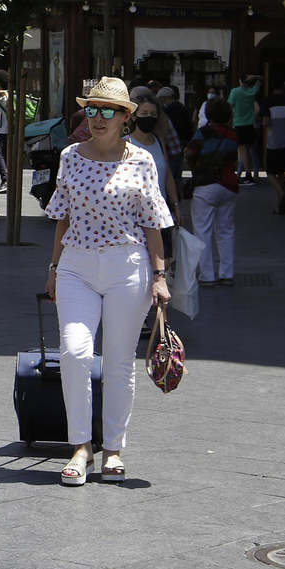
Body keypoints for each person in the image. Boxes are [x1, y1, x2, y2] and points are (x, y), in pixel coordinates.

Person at [43, 78, 173, 486]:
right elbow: (63, 214)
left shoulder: (142, 160)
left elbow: (153, 223)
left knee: (118, 361)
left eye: (107, 111)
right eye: (91, 110)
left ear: (125, 117)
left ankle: (113, 449)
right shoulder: (69, 156)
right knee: (75, 353)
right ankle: (81, 446)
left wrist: (160, 276)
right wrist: (53, 267)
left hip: (127, 265)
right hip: (76, 265)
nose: (97, 118)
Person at [184, 96, 239, 287]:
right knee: (226, 230)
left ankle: (207, 275)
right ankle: (227, 273)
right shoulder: (233, 135)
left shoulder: (204, 132)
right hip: (229, 185)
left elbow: (188, 152)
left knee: (203, 230)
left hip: (206, 185)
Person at [127, 98, 181, 243]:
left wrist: (175, 205)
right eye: (144, 113)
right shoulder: (125, 143)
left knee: (165, 259)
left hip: (160, 212)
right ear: (133, 116)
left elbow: (167, 175)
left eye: (153, 114)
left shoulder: (159, 140)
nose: (148, 118)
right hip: (134, 215)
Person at [260, 82, 285, 215]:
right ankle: (279, 204)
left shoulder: (268, 101)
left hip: (274, 141)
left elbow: (266, 122)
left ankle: (282, 193)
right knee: (282, 172)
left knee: (270, 172)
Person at [229, 74, 262, 184]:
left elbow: (229, 106)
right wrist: (255, 77)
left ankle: (248, 175)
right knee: (247, 151)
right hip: (250, 124)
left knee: (243, 152)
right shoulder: (252, 91)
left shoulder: (235, 92)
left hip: (239, 123)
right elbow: (260, 80)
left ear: (239, 80)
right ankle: (248, 174)